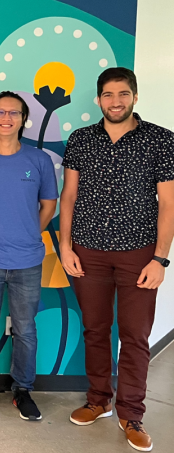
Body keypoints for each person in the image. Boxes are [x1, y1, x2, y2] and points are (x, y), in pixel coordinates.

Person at [60, 68, 174, 453]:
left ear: (135, 97)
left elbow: (169, 205)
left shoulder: (161, 140)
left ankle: (131, 413)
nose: (115, 102)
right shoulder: (81, 140)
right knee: (95, 328)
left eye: (123, 94)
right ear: (98, 100)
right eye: (108, 95)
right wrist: (65, 246)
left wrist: (160, 258)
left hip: (139, 254)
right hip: (87, 251)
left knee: (135, 335)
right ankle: (98, 400)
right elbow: (69, 197)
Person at [0, 93, 58, 421]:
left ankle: (23, 389)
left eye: (14, 112)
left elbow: (49, 204)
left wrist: (31, 231)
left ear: (23, 119)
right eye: (0, 112)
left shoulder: (40, 161)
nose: (7, 117)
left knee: (26, 328)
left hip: (28, 260)